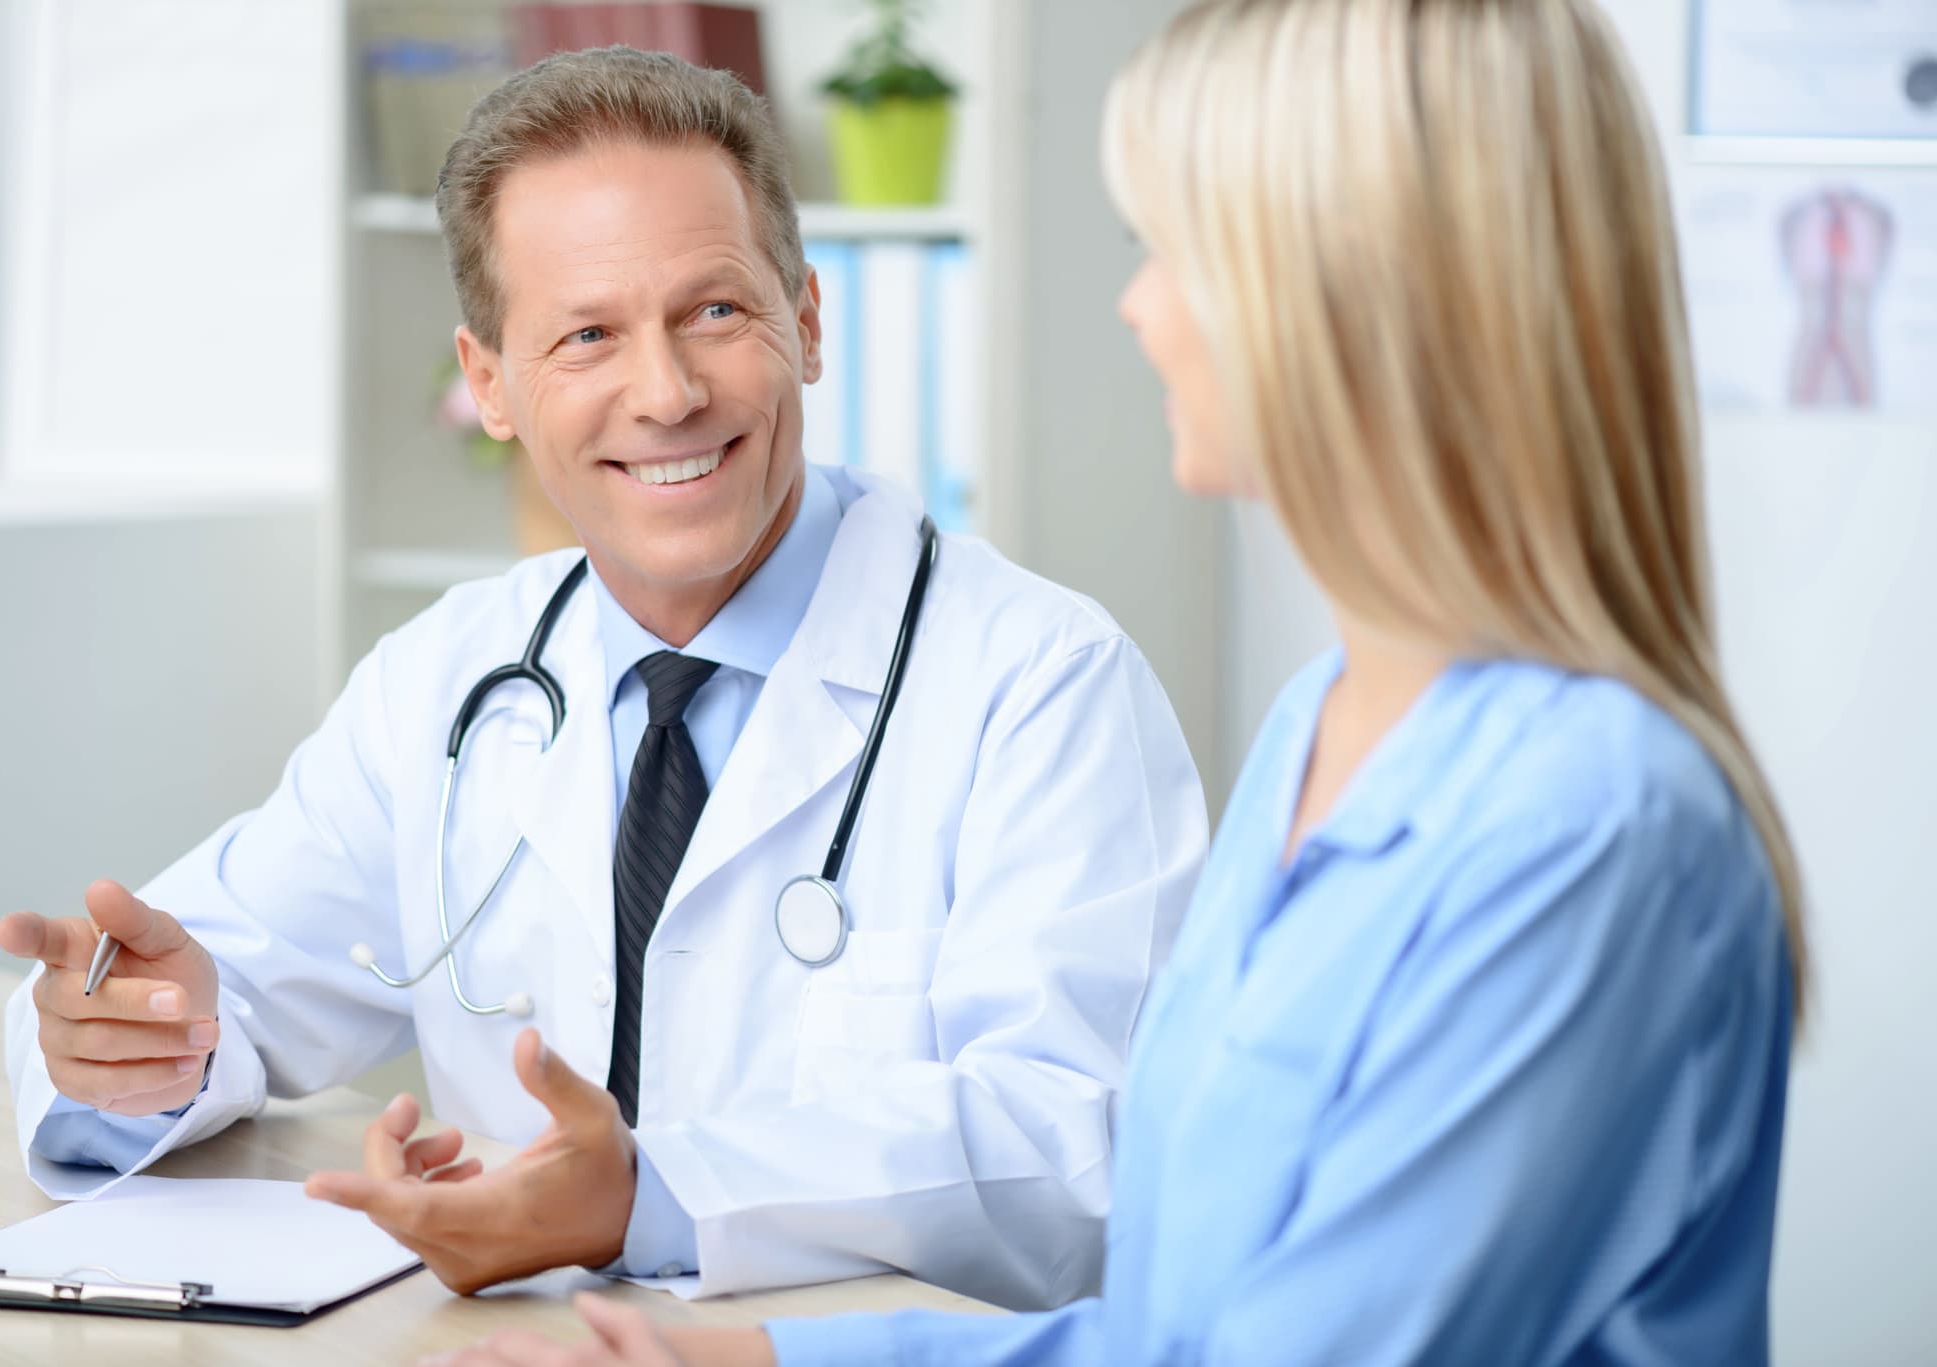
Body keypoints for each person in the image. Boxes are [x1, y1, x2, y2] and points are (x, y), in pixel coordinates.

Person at [431, 0, 1806, 1362]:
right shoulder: (1321, 729)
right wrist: (750, 1359)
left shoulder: (1584, 822)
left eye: (1177, 247)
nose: (1139, 305)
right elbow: (1176, 1328)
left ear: (1372, 296)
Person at [0, 47, 1209, 1309]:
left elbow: (1079, 1150)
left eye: (715, 312)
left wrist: (651, 1196)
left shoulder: (1040, 681)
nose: (667, 393)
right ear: (490, 385)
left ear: (804, 320)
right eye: (586, 336)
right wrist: (137, 1042)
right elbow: (212, 978)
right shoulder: (450, 682)